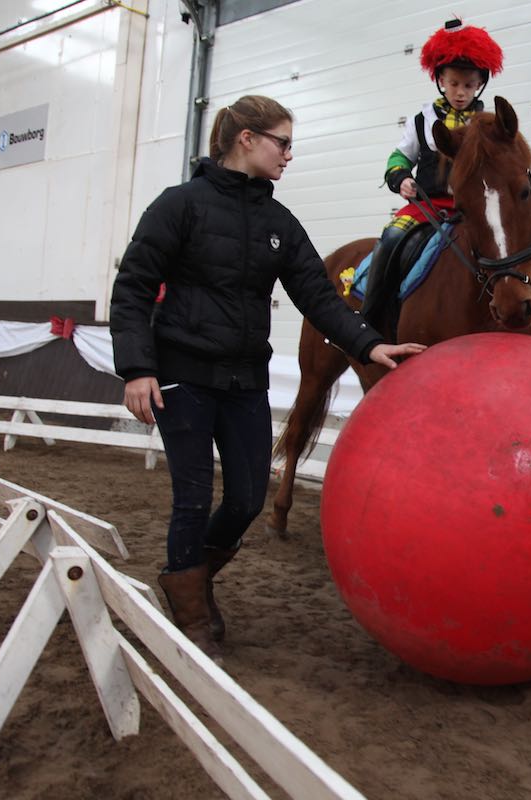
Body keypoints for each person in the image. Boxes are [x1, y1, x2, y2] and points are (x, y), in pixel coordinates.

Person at [110, 95, 424, 664]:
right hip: (181, 374)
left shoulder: (279, 223)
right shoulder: (178, 206)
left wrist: (370, 344)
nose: (289, 155)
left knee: (248, 498)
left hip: (244, 379)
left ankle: (188, 578)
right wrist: (137, 368)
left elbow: (320, 299)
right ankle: (193, 613)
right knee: (191, 499)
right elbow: (133, 286)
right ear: (246, 139)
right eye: (283, 142)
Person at [358, 18, 504, 329]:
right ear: (440, 80)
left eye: (468, 85)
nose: (460, 92)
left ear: (479, 85)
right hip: (427, 207)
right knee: (391, 237)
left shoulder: (488, 125)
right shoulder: (421, 121)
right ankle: (371, 317)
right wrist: (401, 178)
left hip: (473, 210)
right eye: (454, 83)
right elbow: (400, 156)